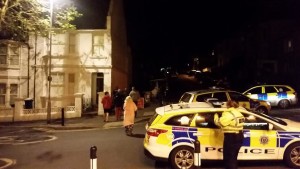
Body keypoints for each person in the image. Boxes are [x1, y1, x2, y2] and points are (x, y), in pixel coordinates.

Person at [214, 100, 245, 169]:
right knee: (234, 157)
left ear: (228, 105)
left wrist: (216, 116)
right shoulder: (239, 113)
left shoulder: (228, 113)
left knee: (229, 158)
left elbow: (220, 123)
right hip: (239, 136)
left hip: (231, 137)